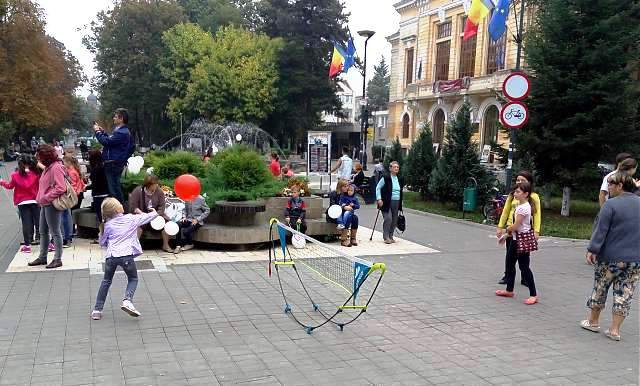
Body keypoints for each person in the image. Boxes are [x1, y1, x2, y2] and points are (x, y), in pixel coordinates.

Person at [581, 172, 640, 341]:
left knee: (600, 287)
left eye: (611, 184)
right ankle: (614, 330)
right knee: (625, 292)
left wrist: (592, 249)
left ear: (621, 185)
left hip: (609, 257)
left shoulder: (610, 205)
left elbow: (601, 230)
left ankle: (593, 322)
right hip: (634, 260)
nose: (609, 187)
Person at [91, 198, 159, 320]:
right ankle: (127, 300)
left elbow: (102, 242)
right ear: (117, 209)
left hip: (111, 257)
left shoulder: (107, 225)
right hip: (126, 255)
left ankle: (97, 310)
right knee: (133, 278)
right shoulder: (130, 218)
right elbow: (149, 217)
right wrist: (154, 212)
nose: (122, 205)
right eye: (120, 204)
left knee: (106, 281)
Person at [495, 181, 539, 305]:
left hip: (522, 241)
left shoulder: (523, 208)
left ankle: (533, 294)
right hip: (515, 239)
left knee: (524, 267)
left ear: (526, 194)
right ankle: (509, 290)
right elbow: (515, 228)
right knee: (509, 264)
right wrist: (507, 235)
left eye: (518, 192)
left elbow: (515, 225)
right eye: (515, 191)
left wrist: (505, 232)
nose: (515, 193)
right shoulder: (521, 205)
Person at [29, 144, 67, 269]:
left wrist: (46, 197)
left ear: (45, 156)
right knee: (43, 231)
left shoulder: (55, 168)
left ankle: (57, 259)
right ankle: (42, 257)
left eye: (39, 156)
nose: (37, 158)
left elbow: (61, 187)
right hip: (45, 204)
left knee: (55, 232)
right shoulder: (49, 167)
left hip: (51, 204)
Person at [0, 156, 40, 252]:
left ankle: (27, 244)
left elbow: (10, 186)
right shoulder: (35, 174)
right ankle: (43, 240)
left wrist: (1, 182)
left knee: (26, 223)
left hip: (22, 202)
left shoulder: (15, 175)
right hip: (34, 200)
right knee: (38, 221)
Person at [94, 108, 133, 205]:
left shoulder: (121, 132)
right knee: (115, 187)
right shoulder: (120, 131)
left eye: (116, 116)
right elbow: (111, 141)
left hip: (113, 164)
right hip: (114, 163)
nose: (113, 118)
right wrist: (103, 132)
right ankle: (119, 209)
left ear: (121, 118)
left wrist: (97, 132)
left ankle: (118, 210)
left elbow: (106, 142)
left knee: (113, 189)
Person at [128, 175, 171, 252]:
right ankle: (133, 247)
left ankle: (166, 245)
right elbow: (133, 207)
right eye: (154, 184)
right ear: (148, 185)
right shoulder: (138, 191)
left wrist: (156, 214)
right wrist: (142, 214)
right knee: (138, 225)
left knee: (167, 224)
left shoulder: (159, 191)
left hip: (156, 215)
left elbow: (162, 206)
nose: (156, 185)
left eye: (156, 184)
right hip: (142, 215)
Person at [375, 161, 404, 244]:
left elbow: (400, 191)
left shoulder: (400, 178)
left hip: (397, 201)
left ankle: (391, 235)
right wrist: (379, 199)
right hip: (386, 202)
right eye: (394, 167)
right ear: (390, 168)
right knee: (388, 218)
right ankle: (386, 236)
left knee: (394, 220)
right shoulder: (386, 177)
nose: (396, 168)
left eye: (397, 167)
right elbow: (378, 188)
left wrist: (401, 201)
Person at [60, 155, 85, 247]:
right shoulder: (76, 170)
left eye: (64, 162)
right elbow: (81, 183)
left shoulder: (71, 172)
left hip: (73, 195)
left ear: (68, 163)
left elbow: (72, 184)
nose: (63, 164)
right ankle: (72, 231)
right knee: (71, 214)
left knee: (68, 215)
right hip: (79, 194)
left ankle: (70, 233)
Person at [87, 150, 109, 223]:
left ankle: (103, 233)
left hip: (98, 196)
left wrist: (86, 187)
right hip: (106, 194)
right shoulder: (104, 168)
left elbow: (96, 184)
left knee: (101, 218)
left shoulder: (95, 170)